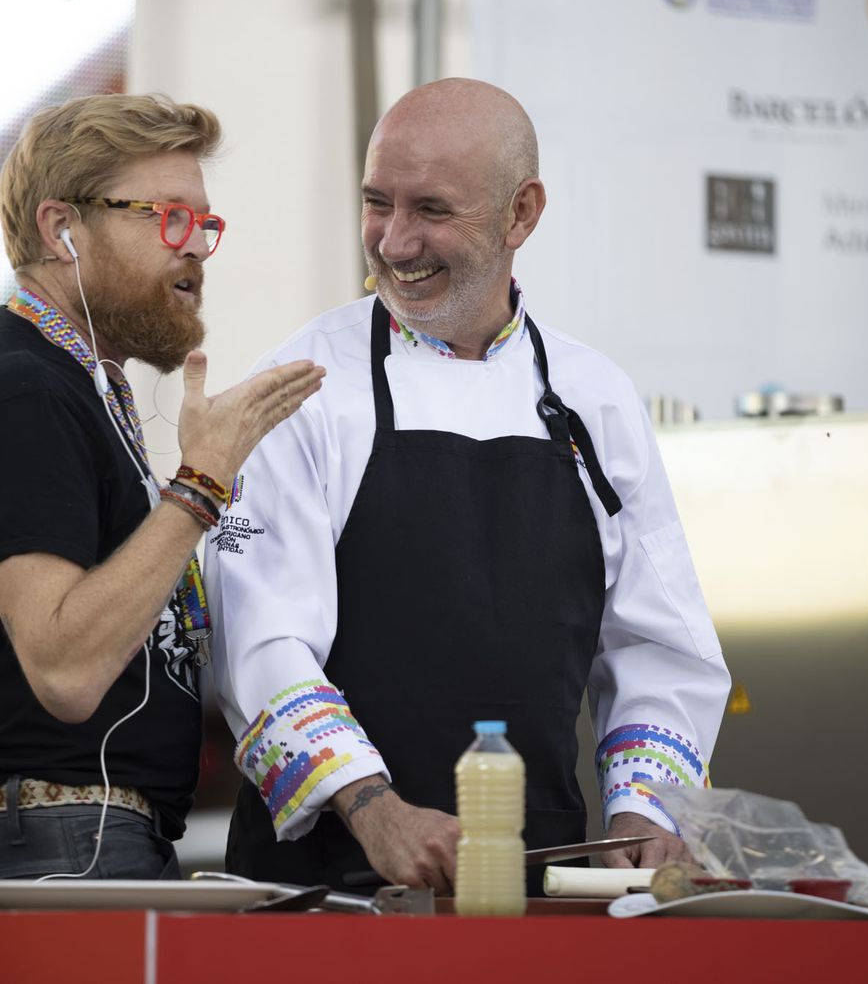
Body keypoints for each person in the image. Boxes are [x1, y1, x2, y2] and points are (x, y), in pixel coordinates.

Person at [203, 78, 730, 895]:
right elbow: (262, 644)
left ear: (522, 213)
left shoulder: (596, 397)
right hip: (329, 887)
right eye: (378, 203)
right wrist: (375, 805)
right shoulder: (301, 386)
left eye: (432, 210)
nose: (395, 242)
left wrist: (645, 809)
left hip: (536, 880)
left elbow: (660, 646)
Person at [0, 93, 324, 881]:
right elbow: (66, 671)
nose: (196, 250)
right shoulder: (22, 388)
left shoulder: (22, 379)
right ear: (63, 230)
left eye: (203, 224)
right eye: (168, 219)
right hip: (60, 838)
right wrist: (200, 485)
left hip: (41, 832)